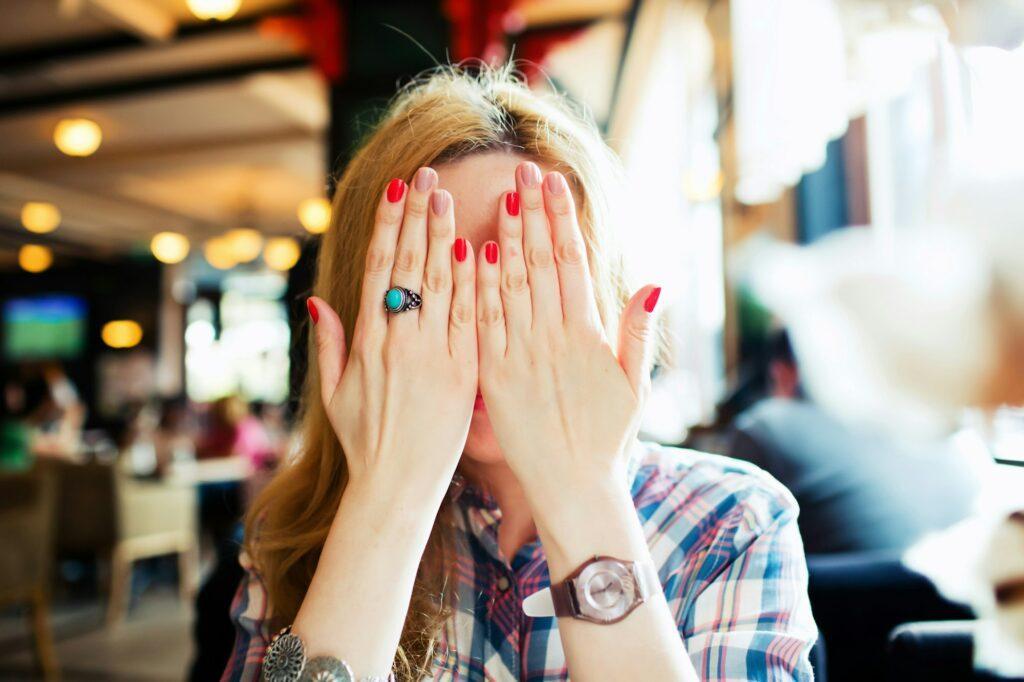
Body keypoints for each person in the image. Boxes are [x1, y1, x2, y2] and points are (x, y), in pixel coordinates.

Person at [223, 65, 817, 681]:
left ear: (605, 299)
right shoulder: (291, 532)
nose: (482, 335)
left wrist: (580, 486)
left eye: (531, 287)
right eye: (426, 291)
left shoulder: (732, 523)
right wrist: (385, 498)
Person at [728, 331, 981, 555]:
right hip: (969, 598)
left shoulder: (767, 426)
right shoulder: (938, 420)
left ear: (782, 373)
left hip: (842, 603)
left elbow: (735, 550)